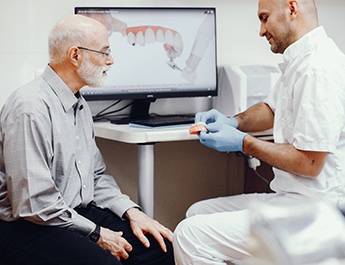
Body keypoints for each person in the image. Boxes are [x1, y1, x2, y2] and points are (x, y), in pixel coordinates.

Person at [173, 0, 345, 264]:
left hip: (317, 211)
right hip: (293, 198)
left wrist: (245, 144)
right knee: (197, 213)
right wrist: (232, 121)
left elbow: (310, 163)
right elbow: (272, 109)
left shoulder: (318, 68)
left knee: (189, 235)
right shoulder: (301, 59)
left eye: (264, 18)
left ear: (292, 9)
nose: (261, 30)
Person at [0, 15, 175, 265]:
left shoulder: (78, 104)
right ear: (75, 56)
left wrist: (132, 212)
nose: (111, 60)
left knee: (161, 248)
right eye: (105, 52)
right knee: (104, 262)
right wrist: (96, 234)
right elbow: (34, 205)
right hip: (28, 225)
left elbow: (95, 177)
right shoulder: (29, 108)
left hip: (72, 213)